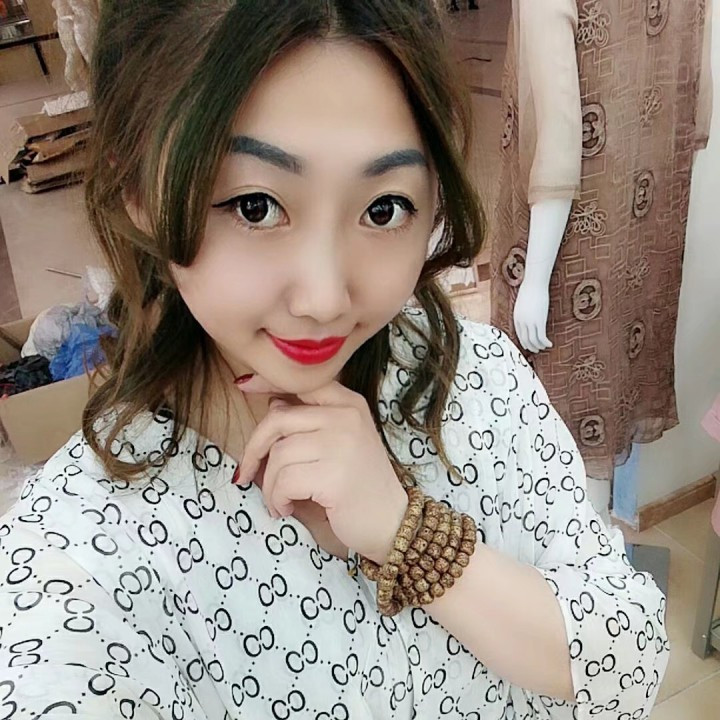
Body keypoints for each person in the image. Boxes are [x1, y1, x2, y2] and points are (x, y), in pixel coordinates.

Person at [0, 2, 668, 718]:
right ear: (136, 191)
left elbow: (631, 664)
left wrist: (413, 536)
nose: (323, 299)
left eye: (383, 209)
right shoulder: (78, 563)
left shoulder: (473, 375)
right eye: (255, 206)